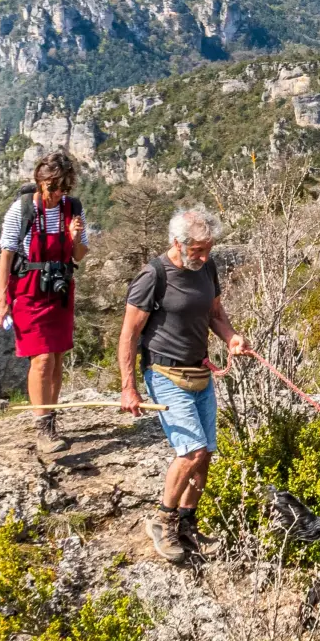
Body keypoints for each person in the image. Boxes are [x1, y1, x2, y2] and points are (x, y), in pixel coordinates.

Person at [119, 205, 247, 564]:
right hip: (165, 374)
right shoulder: (153, 275)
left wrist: (231, 337)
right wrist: (129, 386)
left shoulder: (206, 268)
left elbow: (215, 315)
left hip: (200, 373)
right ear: (178, 242)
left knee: (205, 453)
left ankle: (188, 523)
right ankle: (163, 521)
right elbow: (129, 334)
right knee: (190, 452)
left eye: (208, 249)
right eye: (198, 250)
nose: (205, 256)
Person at [0, 151, 89, 454]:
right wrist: (0, 301)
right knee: (42, 358)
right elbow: (6, 257)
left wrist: (75, 237)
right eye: (52, 187)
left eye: (62, 188)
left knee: (57, 357)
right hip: (29, 291)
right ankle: (42, 428)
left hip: (59, 290)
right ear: (40, 182)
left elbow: (78, 256)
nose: (56, 193)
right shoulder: (20, 211)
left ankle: (51, 418)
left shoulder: (72, 210)